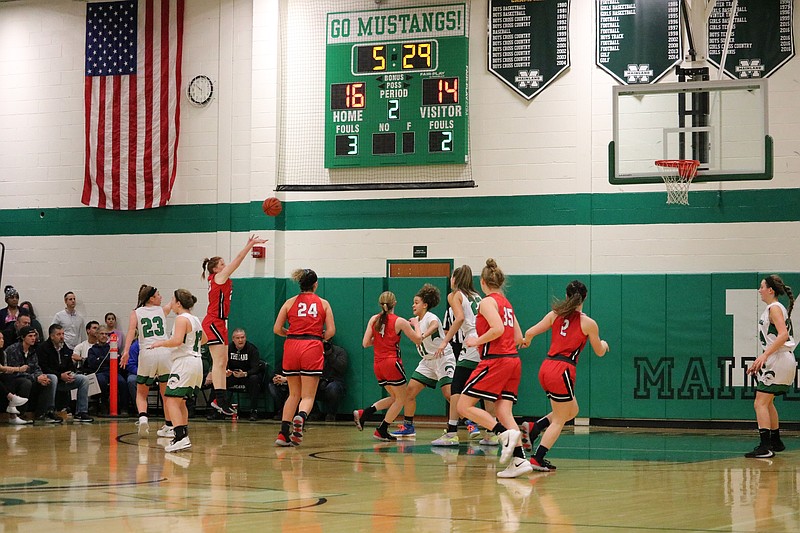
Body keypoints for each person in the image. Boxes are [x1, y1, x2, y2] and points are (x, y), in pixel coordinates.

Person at [520, 280, 609, 472]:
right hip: (563, 370)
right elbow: (599, 351)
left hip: (546, 368)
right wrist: (604, 344)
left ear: (567, 296)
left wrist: (526, 341)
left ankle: (535, 427)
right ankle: (537, 458)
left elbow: (529, 332)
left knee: (572, 409)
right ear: (584, 298)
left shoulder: (555, 315)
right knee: (560, 420)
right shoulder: (588, 323)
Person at [457, 258, 529, 479]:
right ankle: (519, 459)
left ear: (482, 282)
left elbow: (497, 329)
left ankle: (502, 435)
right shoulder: (507, 304)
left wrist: (476, 341)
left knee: (462, 405)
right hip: (513, 361)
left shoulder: (487, 303)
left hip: (496, 360)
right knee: (503, 411)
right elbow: (519, 337)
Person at [202, 235, 268, 417]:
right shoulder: (219, 276)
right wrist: (250, 244)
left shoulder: (219, 278)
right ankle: (219, 399)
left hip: (221, 322)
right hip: (214, 320)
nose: (225, 266)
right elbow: (238, 260)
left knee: (222, 363)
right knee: (218, 362)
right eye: (222, 264)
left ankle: (220, 400)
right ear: (216, 269)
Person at [390, 284, 460, 446]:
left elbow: (435, 325)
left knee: (449, 394)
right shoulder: (417, 320)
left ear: (425, 305)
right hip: (428, 361)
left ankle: (471, 422)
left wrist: (423, 332)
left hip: (443, 357)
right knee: (409, 392)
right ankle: (408, 427)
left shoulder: (429, 317)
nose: (413, 305)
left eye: (416, 302)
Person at [272, 268, 335, 446]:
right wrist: (317, 336)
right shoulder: (323, 303)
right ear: (315, 284)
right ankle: (301, 417)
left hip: (291, 345)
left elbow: (277, 329)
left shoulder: (289, 302)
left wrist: (291, 333)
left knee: (293, 394)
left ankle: (283, 434)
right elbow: (331, 331)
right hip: (312, 346)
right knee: (307, 396)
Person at [354, 291, 421, 441]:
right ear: (395, 303)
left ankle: (365, 413)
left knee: (394, 397)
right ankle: (382, 429)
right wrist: (416, 325)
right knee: (402, 399)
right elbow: (418, 339)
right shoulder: (399, 321)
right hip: (392, 363)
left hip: (378, 364)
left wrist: (379, 342)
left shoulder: (373, 319)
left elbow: (365, 343)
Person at [744, 275, 796, 458]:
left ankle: (765, 447)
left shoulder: (774, 308)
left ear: (770, 290)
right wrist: (763, 358)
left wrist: (764, 355)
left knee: (760, 403)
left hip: (779, 359)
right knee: (768, 402)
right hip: (782, 359)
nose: (759, 290)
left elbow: (783, 335)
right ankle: (775, 441)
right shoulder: (776, 308)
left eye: (762, 287)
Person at [150, 289, 206, 453]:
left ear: (179, 303)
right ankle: (182, 435)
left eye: (172, 300)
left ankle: (181, 437)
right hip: (197, 362)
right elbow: (204, 339)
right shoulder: (195, 319)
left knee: (171, 400)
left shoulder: (181, 319)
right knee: (180, 402)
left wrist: (160, 343)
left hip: (184, 363)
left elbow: (176, 341)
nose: (171, 303)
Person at [438, 266, 490, 443]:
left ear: (455, 279)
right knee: (485, 389)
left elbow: (459, 318)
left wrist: (445, 340)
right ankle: (492, 433)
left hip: (471, 342)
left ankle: (451, 433)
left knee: (456, 388)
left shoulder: (454, 295)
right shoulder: (477, 296)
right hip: (484, 341)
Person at [120, 285, 174, 438]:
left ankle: (143, 417)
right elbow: (175, 300)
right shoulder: (162, 310)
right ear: (151, 298)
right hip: (164, 352)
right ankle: (169, 426)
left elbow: (131, 331)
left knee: (142, 392)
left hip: (147, 353)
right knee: (166, 394)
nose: (161, 297)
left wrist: (126, 352)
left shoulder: (136, 312)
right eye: (158, 294)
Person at [37, 323, 93, 422]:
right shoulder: (43, 348)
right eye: (59, 334)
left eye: (63, 334)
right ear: (51, 336)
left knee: (83, 379)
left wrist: (70, 373)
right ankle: (49, 411)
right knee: (53, 377)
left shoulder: (64, 347)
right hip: (49, 379)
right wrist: (60, 376)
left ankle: (81, 412)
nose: (62, 337)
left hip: (64, 379)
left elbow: (70, 364)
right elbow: (44, 368)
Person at [4, 325, 61, 423]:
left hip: (30, 377)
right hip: (14, 378)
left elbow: (36, 367)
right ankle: (20, 414)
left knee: (51, 378)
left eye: (34, 336)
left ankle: (44, 412)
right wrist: (36, 377)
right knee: (26, 383)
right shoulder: (13, 350)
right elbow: (16, 372)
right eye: (30, 336)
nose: (33, 338)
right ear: (23, 337)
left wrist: (40, 376)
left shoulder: (32, 350)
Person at [222, 328, 265, 421]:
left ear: (245, 338)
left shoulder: (252, 349)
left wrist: (245, 374)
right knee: (219, 379)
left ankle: (253, 411)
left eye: (242, 337)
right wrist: (226, 372)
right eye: (237, 338)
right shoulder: (228, 348)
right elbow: (222, 364)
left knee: (254, 379)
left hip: (247, 376)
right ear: (233, 339)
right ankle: (218, 410)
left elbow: (256, 368)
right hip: (233, 375)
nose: (240, 340)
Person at [85, 326, 129, 415]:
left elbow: (117, 361)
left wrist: (101, 359)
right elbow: (93, 363)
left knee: (122, 382)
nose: (104, 336)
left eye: (106, 334)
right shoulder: (92, 350)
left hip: (113, 372)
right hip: (100, 372)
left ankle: (124, 408)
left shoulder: (112, 348)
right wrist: (106, 360)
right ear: (97, 335)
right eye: (101, 334)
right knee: (101, 381)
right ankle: (103, 405)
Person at [0, 333, 31, 425]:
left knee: (9, 378)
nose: (2, 340)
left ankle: (13, 413)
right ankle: (11, 398)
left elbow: (4, 370)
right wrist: (19, 369)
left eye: (3, 338)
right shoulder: (12, 350)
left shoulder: (2, 353)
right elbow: (1, 368)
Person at [315, 340, 348, 422]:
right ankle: (314, 412)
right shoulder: (314, 351)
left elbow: (342, 368)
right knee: (304, 388)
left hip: (335, 381)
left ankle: (331, 413)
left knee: (333, 388)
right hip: (318, 381)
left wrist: (330, 355)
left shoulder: (339, 351)